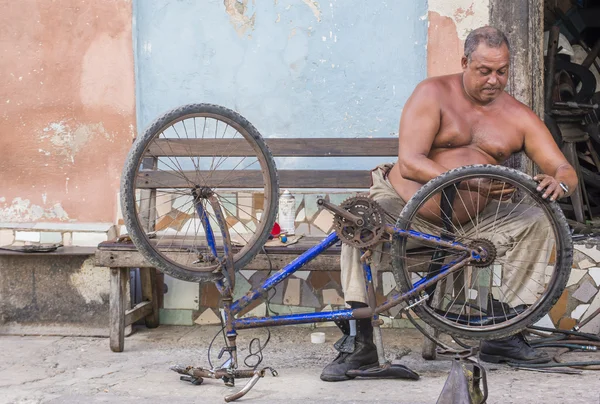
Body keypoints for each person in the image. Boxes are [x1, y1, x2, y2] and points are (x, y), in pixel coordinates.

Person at [320, 26, 579, 382]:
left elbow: (563, 168)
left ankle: (505, 334)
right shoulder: (433, 94)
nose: (493, 80)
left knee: (538, 220)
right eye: (484, 70)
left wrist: (559, 182)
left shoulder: (518, 116)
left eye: (501, 71)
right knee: (360, 228)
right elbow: (410, 161)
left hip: (469, 225)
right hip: (403, 206)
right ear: (464, 62)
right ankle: (361, 343)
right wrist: (472, 180)